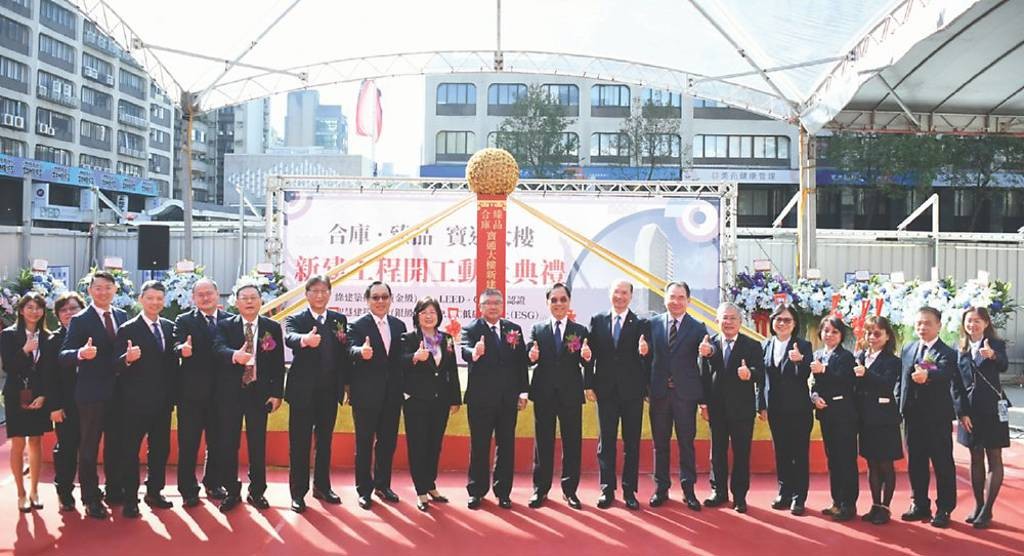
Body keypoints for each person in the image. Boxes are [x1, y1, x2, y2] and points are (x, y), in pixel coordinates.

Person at [59, 270, 129, 519]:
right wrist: (81, 353)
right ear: (90, 291)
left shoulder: (121, 315)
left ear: (115, 290)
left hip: (119, 393)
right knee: (89, 448)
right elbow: (63, 355)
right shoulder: (80, 320)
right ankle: (90, 497)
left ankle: (114, 489)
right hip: (91, 393)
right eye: (98, 287)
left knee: (116, 444)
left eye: (108, 287)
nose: (103, 292)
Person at [213, 283, 285, 512]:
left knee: (257, 444)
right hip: (230, 395)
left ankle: (257, 491)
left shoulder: (272, 327)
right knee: (228, 444)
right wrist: (235, 355)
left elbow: (278, 363)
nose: (249, 301)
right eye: (244, 297)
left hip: (259, 394)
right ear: (236, 302)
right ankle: (232, 491)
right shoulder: (225, 325)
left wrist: (277, 393)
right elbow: (217, 348)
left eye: (254, 297)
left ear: (261, 301)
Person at [284, 274, 349, 513]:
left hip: (329, 391)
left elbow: (344, 351)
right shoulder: (296, 319)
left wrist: (346, 384)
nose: (320, 295)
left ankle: (322, 486)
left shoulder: (338, 320)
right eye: (315, 291)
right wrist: (304, 340)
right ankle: (297, 493)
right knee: (299, 443)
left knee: (324, 442)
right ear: (307, 295)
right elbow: (289, 337)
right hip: (302, 392)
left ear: (329, 294)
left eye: (324, 291)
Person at [113, 280, 178, 518]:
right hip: (134, 403)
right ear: (141, 299)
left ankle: (154, 492)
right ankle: (130, 498)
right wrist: (127, 359)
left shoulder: (170, 327)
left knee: (160, 449)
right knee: (130, 451)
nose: (155, 302)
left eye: (159, 298)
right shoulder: (127, 329)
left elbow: (172, 365)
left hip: (162, 402)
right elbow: (114, 364)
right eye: (150, 298)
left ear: (164, 301)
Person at [461, 288, 529, 510]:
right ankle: (476, 491)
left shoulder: (513, 329)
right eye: (488, 303)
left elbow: (520, 363)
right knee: (479, 446)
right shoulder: (471, 329)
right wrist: (475, 352)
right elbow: (464, 350)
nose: (493, 306)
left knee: (506, 445)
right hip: (480, 399)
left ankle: (503, 492)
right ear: (480, 307)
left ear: (502, 305)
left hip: (508, 399)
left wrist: (523, 392)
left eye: (497, 303)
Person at [585, 280, 649, 511]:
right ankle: (607, 489)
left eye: (624, 293)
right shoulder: (597, 320)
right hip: (605, 391)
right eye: (616, 292)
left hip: (632, 392)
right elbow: (589, 354)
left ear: (631, 296)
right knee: (606, 442)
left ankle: (630, 491)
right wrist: (588, 384)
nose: (620, 297)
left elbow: (648, 358)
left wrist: (645, 352)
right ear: (609, 294)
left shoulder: (641, 323)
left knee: (631, 443)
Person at [527, 283, 591, 510]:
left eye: (563, 299)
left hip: (570, 394)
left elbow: (586, 360)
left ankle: (570, 490)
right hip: (543, 393)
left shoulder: (580, 330)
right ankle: (540, 489)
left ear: (569, 302)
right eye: (554, 300)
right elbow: (528, 356)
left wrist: (587, 357)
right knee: (542, 443)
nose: (558, 304)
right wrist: (531, 356)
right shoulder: (537, 329)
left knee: (572, 443)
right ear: (547, 303)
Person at [648, 281, 708, 511]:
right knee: (660, 444)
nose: (676, 301)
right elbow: (645, 359)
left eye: (681, 297)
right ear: (665, 299)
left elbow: (705, 362)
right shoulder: (652, 325)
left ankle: (688, 489)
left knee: (686, 444)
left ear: (688, 301)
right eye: (672, 297)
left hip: (685, 396)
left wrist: (703, 399)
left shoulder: (697, 328)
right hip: (659, 394)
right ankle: (661, 488)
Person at [346, 281, 407, 509]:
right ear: (367, 300)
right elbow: (348, 349)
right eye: (375, 297)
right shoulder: (357, 325)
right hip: (366, 395)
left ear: (391, 299)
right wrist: (360, 352)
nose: (380, 301)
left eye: (384, 297)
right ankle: (364, 490)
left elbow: (401, 358)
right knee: (364, 444)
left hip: (392, 395)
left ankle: (383, 485)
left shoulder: (399, 325)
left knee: (387, 443)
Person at [698, 302, 763, 514]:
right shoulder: (708, 345)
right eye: (724, 318)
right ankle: (718, 491)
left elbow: (761, 373)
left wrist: (750, 373)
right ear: (717, 320)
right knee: (717, 452)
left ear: (740, 322)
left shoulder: (752, 345)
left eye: (733, 318)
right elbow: (703, 376)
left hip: (742, 410)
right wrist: (703, 404)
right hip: (716, 409)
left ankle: (740, 495)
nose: (728, 322)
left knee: (741, 453)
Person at [172, 278, 231, 507]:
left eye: (209, 293)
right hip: (191, 395)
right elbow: (175, 344)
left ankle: (213, 483)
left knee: (217, 443)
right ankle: (188, 489)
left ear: (217, 294)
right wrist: (182, 350)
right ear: (193, 298)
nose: (205, 298)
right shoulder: (184, 320)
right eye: (200, 294)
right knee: (188, 444)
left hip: (221, 394)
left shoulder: (229, 320)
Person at [897, 306, 958, 528]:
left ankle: (945, 508)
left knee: (942, 463)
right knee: (916, 462)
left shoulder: (947, 352)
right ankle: (919, 503)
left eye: (928, 323)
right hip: (912, 417)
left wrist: (928, 374)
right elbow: (901, 380)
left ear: (938, 325)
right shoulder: (908, 348)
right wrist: (898, 405)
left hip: (937, 418)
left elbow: (945, 372)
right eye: (919, 323)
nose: (922, 327)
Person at [400, 296, 461, 512]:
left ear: (439, 315)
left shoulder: (446, 339)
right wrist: (414, 357)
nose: (428, 316)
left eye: (432, 312)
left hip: (440, 401)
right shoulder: (408, 338)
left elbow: (451, 370)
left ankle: (430, 484)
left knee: (435, 445)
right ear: (417, 316)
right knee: (418, 445)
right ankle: (420, 491)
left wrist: (455, 399)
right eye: (424, 312)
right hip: (416, 400)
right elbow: (398, 363)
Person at [954, 306, 1009, 529]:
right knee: (975, 457)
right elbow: (956, 384)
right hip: (970, 412)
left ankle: (987, 509)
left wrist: (993, 355)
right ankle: (978, 504)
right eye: (969, 320)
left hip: (993, 409)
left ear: (986, 323)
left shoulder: (995, 344)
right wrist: (961, 412)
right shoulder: (960, 347)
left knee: (994, 457)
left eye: (977, 320)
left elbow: (1004, 365)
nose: (972, 324)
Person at [758, 304, 813, 516]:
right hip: (775, 408)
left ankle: (799, 497)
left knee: (799, 454)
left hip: (798, 409)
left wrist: (800, 362)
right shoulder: (765, 345)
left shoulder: (804, 345)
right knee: (781, 452)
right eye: (778, 319)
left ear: (794, 323)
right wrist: (761, 405)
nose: (782, 323)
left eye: (787, 320)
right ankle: (784, 492)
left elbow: (807, 373)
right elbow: (761, 379)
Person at [2, 293, 52, 512]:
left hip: (39, 394)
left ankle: (34, 491)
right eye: (29, 307)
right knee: (18, 442)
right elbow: (8, 367)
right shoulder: (8, 335)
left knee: (35, 441)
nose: (34, 311)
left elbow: (50, 371)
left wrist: (44, 395)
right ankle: (21, 493)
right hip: (16, 393)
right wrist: (25, 350)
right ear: (21, 310)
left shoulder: (48, 336)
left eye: (38, 307)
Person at [855, 315, 903, 525]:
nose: (872, 337)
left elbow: (887, 384)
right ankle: (875, 504)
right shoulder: (860, 356)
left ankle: (885, 506)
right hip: (865, 419)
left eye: (877, 333)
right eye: (868, 333)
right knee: (871, 463)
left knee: (885, 464)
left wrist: (866, 373)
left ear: (887, 336)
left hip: (884, 419)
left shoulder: (892, 360)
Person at [810, 316, 859, 522]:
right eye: (826, 331)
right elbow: (815, 383)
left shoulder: (846, 356)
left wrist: (825, 370)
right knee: (833, 460)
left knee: (846, 460)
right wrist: (814, 397)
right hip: (826, 414)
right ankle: (836, 501)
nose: (829, 335)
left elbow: (846, 381)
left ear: (841, 335)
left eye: (834, 332)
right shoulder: (818, 354)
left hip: (844, 415)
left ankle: (848, 504)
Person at [44, 291, 86, 512]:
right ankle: (65, 490)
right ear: (58, 315)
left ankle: (90, 491)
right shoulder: (53, 341)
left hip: (92, 402)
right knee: (67, 448)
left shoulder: (91, 335)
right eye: (64, 310)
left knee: (89, 449)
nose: (69, 313)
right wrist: (54, 406)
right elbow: (48, 377)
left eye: (74, 308)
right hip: (66, 404)